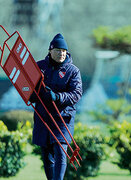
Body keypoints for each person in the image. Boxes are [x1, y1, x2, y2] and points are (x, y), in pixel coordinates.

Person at [30, 33, 82, 180]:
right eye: (58, 50)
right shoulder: (39, 67)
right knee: (46, 155)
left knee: (60, 151)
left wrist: (58, 97)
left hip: (62, 118)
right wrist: (35, 95)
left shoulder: (73, 71)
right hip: (43, 117)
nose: (61, 53)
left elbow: (76, 94)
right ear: (50, 51)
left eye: (64, 51)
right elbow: (29, 89)